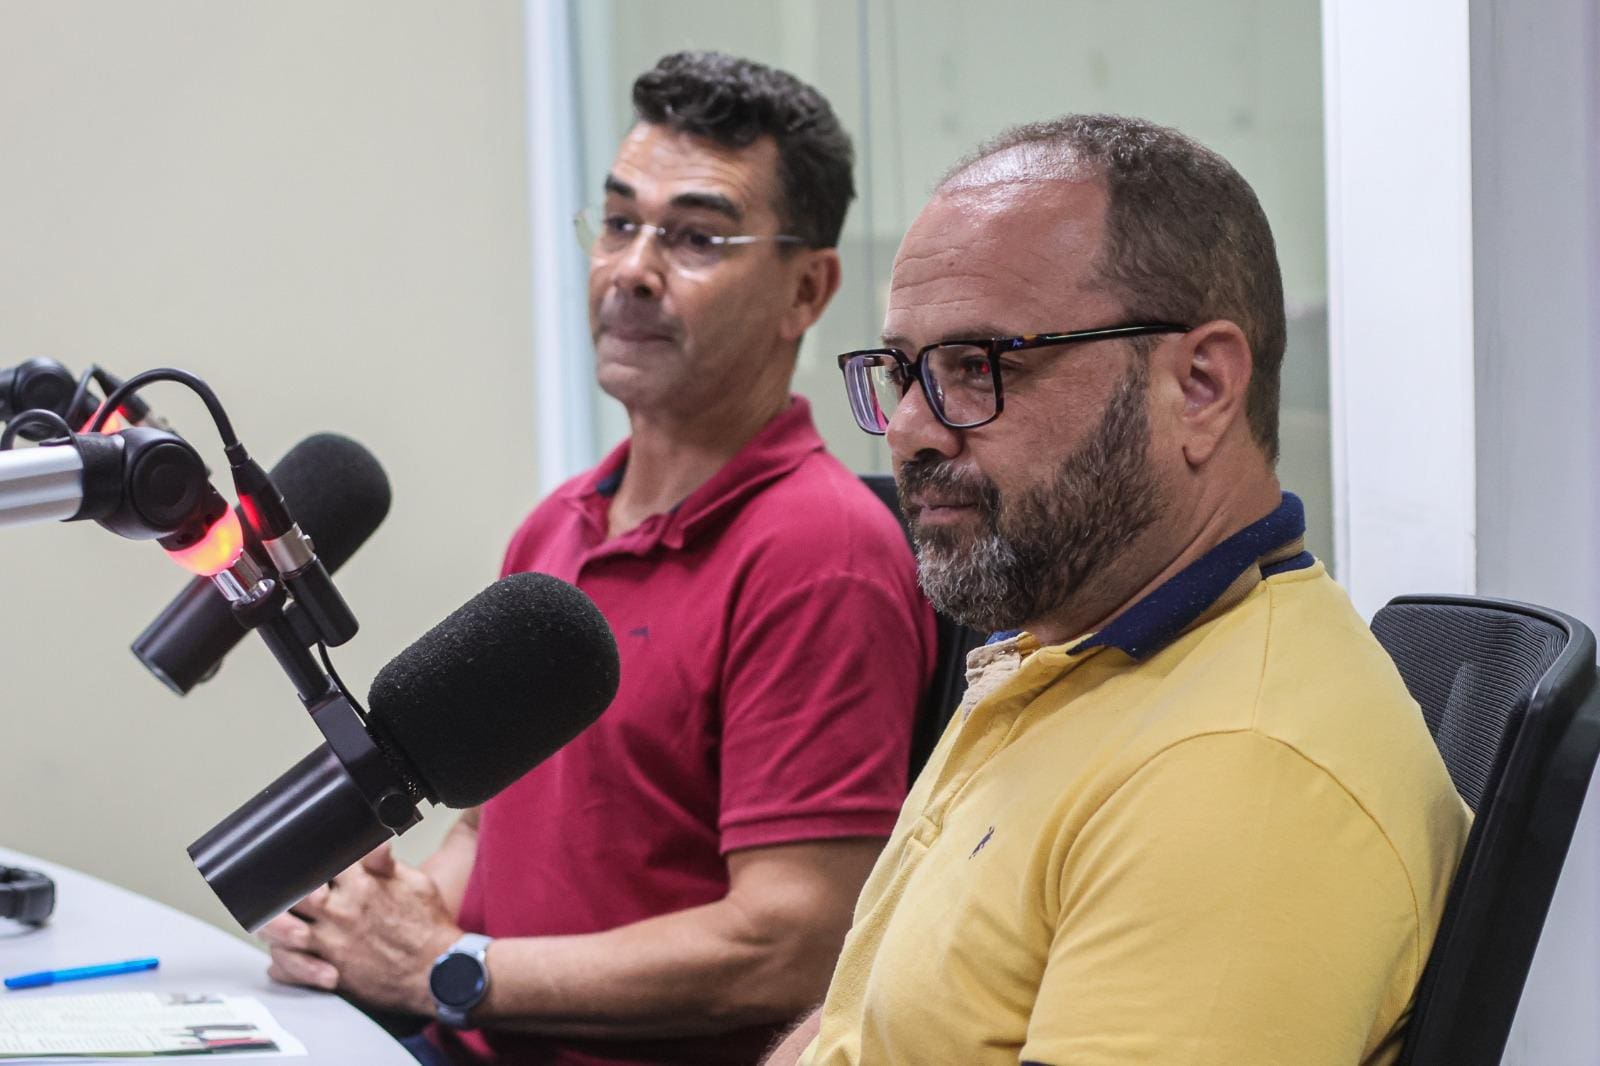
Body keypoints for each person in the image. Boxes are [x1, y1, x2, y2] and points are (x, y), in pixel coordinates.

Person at [261, 51, 935, 1066]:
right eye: (619, 223)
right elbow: (490, 838)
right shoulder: (557, 528)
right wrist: (372, 923)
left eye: (696, 237)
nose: (632, 269)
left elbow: (790, 942)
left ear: (807, 289)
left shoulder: (819, 550)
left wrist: (454, 969)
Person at [766, 114, 1472, 1066]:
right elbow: (868, 1028)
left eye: (977, 368)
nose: (907, 433)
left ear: (1202, 386)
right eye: (902, 372)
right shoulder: (1068, 651)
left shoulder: (1235, 774)